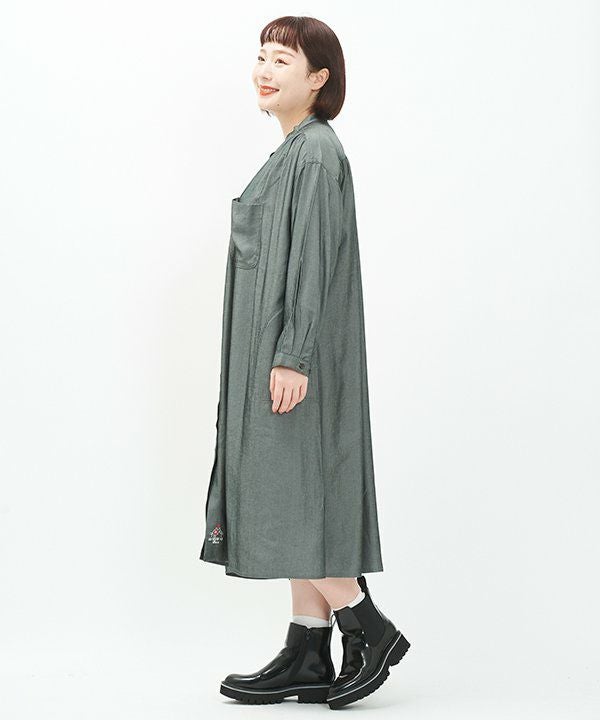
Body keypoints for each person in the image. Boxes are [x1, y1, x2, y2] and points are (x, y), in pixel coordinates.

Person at [199, 16, 410, 708]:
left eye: (282, 59)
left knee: (292, 494)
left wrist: (291, 356)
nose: (264, 70)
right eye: (261, 56)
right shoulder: (293, 151)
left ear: (319, 78)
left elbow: (311, 262)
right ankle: (308, 649)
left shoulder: (315, 152)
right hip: (277, 354)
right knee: (296, 493)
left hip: (293, 359)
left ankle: (366, 625)